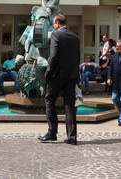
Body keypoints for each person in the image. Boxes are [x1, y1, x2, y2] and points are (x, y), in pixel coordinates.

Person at [38, 13, 80, 145]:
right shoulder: (75, 37)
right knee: (69, 105)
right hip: (71, 75)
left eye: (54, 23)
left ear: (57, 23)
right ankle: (72, 137)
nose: (54, 26)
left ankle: (52, 133)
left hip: (57, 75)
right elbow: (77, 57)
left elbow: (54, 55)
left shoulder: (56, 35)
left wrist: (48, 72)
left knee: (49, 100)